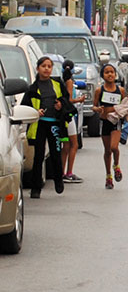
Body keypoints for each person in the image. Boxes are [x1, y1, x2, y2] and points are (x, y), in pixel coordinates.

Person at [22, 57, 71, 198]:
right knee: (38, 156)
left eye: (49, 66)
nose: (46, 69)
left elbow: (66, 99)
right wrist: (35, 112)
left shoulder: (57, 84)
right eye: (43, 66)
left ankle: (58, 180)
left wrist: (60, 105)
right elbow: (25, 106)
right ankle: (36, 188)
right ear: (38, 68)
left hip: (54, 124)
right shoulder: (32, 89)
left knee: (56, 154)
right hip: (39, 125)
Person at [93, 64, 128, 189]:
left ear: (115, 75)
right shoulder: (99, 90)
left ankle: (116, 165)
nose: (110, 74)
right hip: (104, 122)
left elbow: (125, 104)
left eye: (112, 72)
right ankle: (108, 176)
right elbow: (94, 106)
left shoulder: (120, 90)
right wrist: (98, 109)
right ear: (102, 75)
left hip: (116, 122)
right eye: (106, 72)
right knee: (107, 151)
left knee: (114, 147)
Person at [60, 60, 85, 183]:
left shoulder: (62, 81)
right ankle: (69, 172)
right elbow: (69, 99)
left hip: (63, 116)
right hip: (68, 116)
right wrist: (79, 100)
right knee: (73, 144)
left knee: (66, 145)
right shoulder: (69, 82)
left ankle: (62, 172)